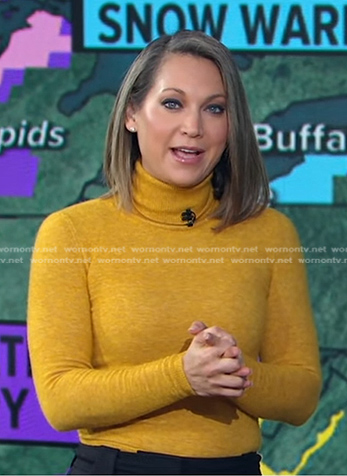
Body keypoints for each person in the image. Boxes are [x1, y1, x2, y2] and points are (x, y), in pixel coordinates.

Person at [27, 30, 322, 475]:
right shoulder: (70, 233)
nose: (193, 127)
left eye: (214, 108)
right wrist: (182, 375)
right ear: (131, 113)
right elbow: (61, 399)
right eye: (172, 103)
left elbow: (300, 395)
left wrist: (234, 372)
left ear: (231, 123)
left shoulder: (270, 234)